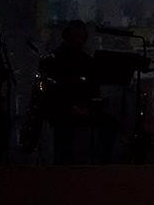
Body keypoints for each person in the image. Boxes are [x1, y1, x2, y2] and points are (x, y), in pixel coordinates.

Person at [40, 20, 108, 164]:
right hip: (63, 113)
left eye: (81, 37)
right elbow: (53, 90)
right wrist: (72, 107)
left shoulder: (85, 60)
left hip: (79, 111)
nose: (79, 40)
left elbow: (93, 88)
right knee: (65, 152)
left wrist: (88, 107)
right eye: (76, 36)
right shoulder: (56, 59)